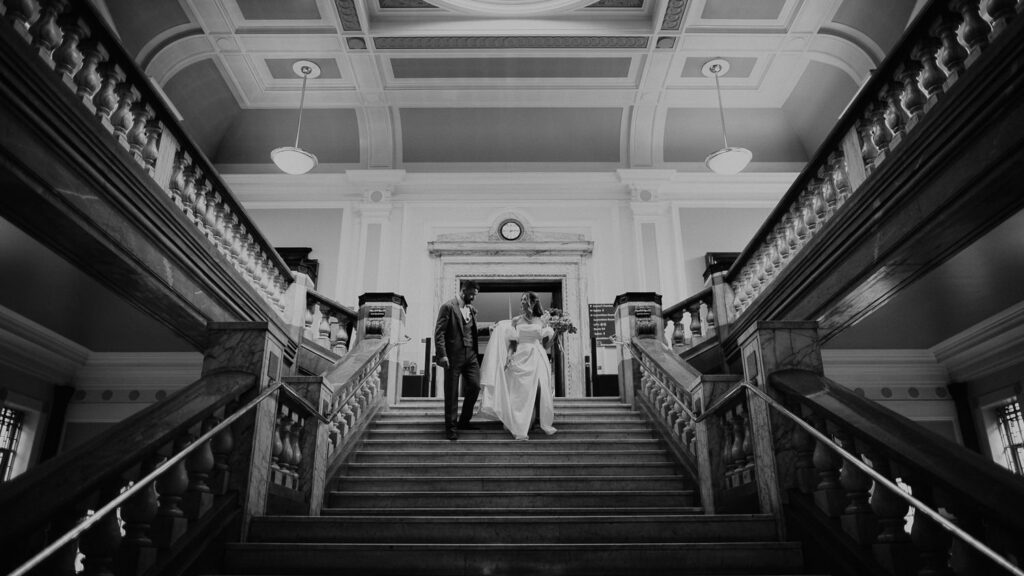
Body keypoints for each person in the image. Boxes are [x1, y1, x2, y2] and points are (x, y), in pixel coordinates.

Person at [479, 292, 557, 440]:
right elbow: (513, 343)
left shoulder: (541, 320)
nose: (521, 303)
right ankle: (521, 423)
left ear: (533, 302)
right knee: (521, 391)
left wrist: (557, 333)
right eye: (521, 300)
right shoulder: (516, 320)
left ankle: (537, 419)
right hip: (521, 355)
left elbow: (546, 345)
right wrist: (508, 358)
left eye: (524, 300)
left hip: (538, 355)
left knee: (540, 387)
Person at [434, 280, 481, 441]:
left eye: (475, 295)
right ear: (463, 291)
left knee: (475, 386)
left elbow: (470, 331)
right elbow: (439, 333)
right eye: (472, 294)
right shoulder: (447, 307)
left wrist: (488, 329)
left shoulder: (471, 310)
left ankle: (464, 421)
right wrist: (442, 355)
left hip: (471, 355)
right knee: (452, 392)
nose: (473, 297)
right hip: (453, 356)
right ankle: (451, 428)